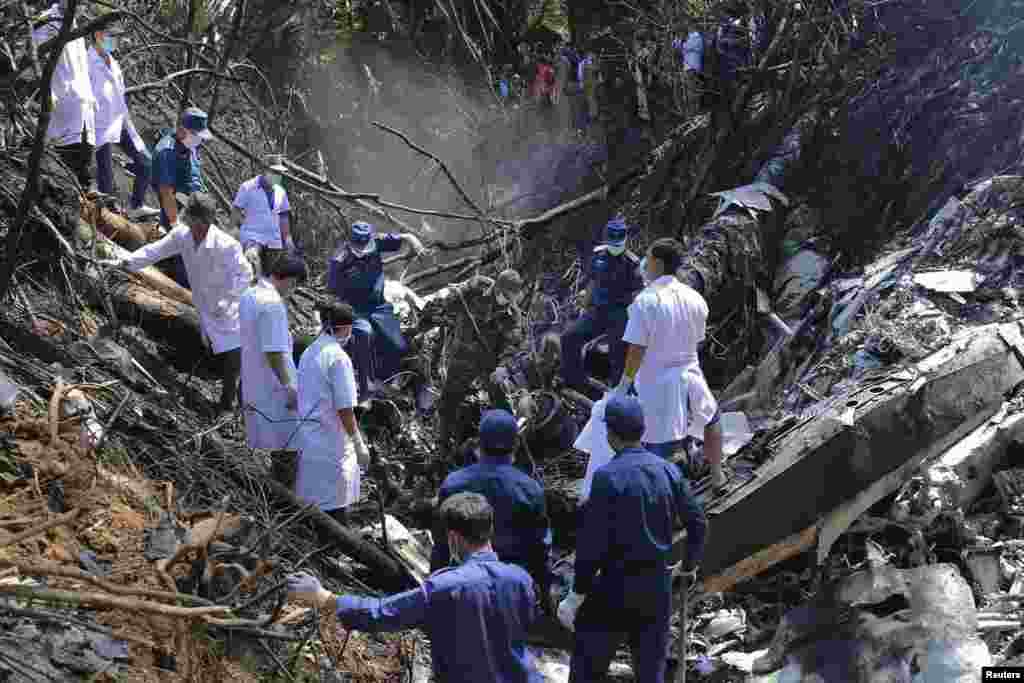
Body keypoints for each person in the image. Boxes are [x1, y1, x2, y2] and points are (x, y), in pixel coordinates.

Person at [286, 492, 542, 683]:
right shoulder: (521, 580)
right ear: (490, 530)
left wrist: (324, 597)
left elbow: (382, 613)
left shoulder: (445, 586)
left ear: (453, 538)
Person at [558, 395, 707, 683]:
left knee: (587, 669)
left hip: (615, 587)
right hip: (657, 588)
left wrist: (577, 593)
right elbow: (698, 523)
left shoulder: (607, 477)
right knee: (650, 673)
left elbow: (592, 545)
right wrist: (689, 565)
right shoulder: (667, 470)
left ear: (611, 434)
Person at [114, 193, 251, 414]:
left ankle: (230, 404)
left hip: (228, 306)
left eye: (194, 219)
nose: (189, 223)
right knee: (214, 346)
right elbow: (154, 251)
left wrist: (228, 302)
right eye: (188, 217)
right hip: (204, 305)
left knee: (235, 352)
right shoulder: (182, 235)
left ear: (206, 221)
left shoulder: (226, 245)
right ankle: (220, 394)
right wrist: (126, 262)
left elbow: (245, 274)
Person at [617, 237, 725, 491]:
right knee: (711, 418)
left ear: (656, 263)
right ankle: (718, 475)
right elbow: (698, 339)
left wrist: (624, 383)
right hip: (690, 371)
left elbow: (636, 350)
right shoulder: (694, 298)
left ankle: (669, 501)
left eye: (648, 258)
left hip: (657, 382)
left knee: (658, 445)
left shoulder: (644, 302)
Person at [430, 409, 553, 613]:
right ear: (515, 445)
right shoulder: (530, 489)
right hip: (510, 591)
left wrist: (435, 592)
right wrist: (546, 596)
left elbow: (441, 542)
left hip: (462, 587)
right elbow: (539, 549)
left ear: (479, 444)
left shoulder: (454, 483)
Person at [418, 269, 526, 450]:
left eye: (512, 297)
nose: (507, 300)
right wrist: (433, 315)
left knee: (502, 402)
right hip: (463, 356)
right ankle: (443, 444)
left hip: (490, 363)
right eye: (505, 295)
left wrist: (503, 367)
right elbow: (448, 303)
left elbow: (512, 344)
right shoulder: (476, 287)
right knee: (449, 400)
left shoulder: (512, 315)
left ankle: (509, 443)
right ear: (497, 287)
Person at [326, 221, 425, 399]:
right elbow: (333, 292)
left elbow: (398, 238)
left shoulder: (376, 242)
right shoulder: (340, 259)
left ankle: (392, 381)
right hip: (354, 308)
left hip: (378, 306)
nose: (365, 250)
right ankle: (366, 384)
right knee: (365, 333)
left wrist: (411, 239)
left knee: (398, 344)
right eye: (361, 246)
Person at [295, 301, 371, 526]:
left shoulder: (311, 350)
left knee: (315, 505)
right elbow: (345, 408)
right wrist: (359, 443)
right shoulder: (338, 358)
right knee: (334, 509)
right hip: (330, 441)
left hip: (308, 437)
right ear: (347, 328)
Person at [560, 215, 644, 398]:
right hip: (597, 312)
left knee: (618, 357)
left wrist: (636, 324)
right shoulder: (598, 256)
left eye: (619, 241)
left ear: (625, 239)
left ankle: (620, 398)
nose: (615, 246)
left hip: (621, 315)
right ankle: (576, 382)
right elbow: (592, 282)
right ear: (606, 239)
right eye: (612, 241)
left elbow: (638, 296)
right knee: (569, 337)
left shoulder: (632, 263)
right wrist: (584, 302)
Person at [88, 23, 159, 219]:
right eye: (112, 36)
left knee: (145, 161)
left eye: (117, 36)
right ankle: (107, 216)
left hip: (119, 121)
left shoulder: (114, 62)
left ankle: (136, 205)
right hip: (99, 125)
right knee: (105, 176)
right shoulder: (86, 62)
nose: (116, 41)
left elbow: (119, 96)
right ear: (98, 35)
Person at [239, 254, 306, 446]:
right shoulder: (272, 304)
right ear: (291, 281)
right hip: (273, 388)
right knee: (286, 445)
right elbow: (274, 352)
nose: (292, 292)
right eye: (294, 286)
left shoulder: (249, 294)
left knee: (261, 442)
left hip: (252, 381)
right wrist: (289, 387)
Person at [32, 2, 96, 189]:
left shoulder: (75, 23)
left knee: (84, 160)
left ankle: (88, 204)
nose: (81, 6)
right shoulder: (45, 20)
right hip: (64, 102)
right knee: (67, 162)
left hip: (83, 104)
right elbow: (37, 60)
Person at [233, 154, 293, 279]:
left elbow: (283, 216)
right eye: (275, 172)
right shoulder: (248, 187)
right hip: (252, 237)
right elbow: (236, 210)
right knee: (251, 266)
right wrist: (236, 230)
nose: (278, 176)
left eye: (280, 173)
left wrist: (287, 238)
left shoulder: (281, 191)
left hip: (273, 241)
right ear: (265, 170)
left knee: (268, 277)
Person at [152, 107, 211, 230]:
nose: (200, 140)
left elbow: (194, 171)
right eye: (196, 135)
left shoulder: (188, 145)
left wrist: (200, 196)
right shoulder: (167, 152)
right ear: (182, 130)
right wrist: (174, 223)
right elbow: (166, 192)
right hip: (174, 199)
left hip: (189, 196)